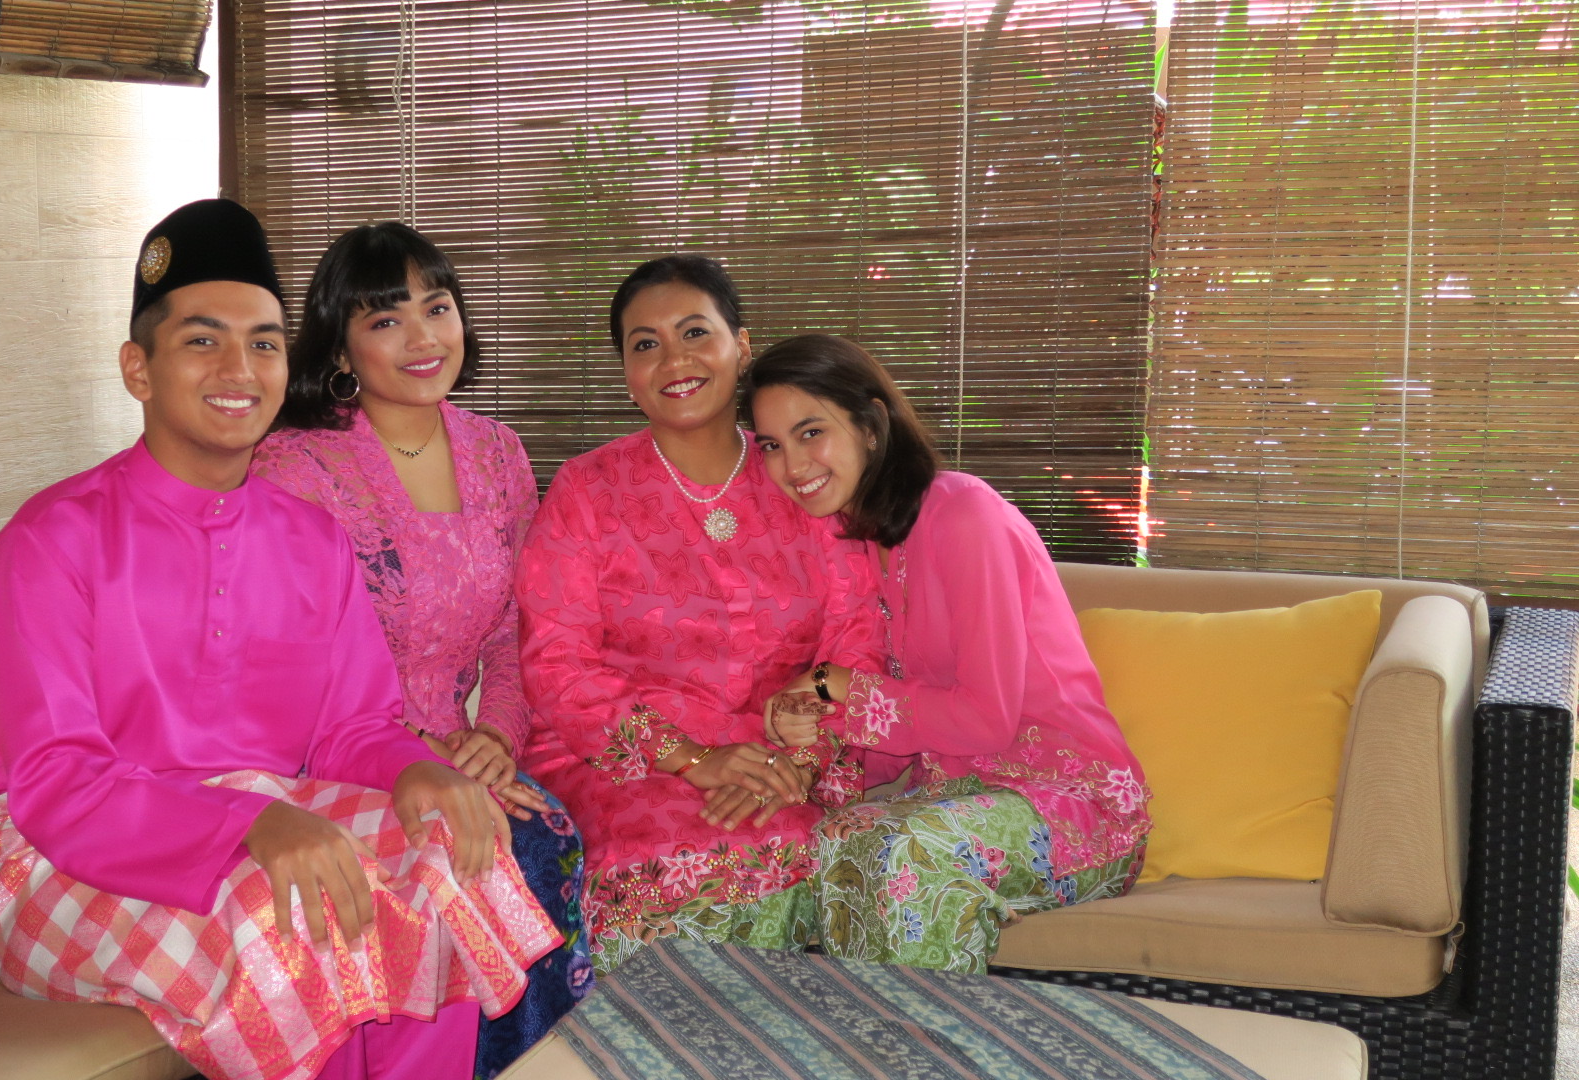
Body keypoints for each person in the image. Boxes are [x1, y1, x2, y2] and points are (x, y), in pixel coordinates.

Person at [0, 199, 560, 1080]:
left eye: (265, 343)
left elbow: (350, 729)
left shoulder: (310, 538)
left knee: (452, 857)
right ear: (138, 368)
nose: (239, 368)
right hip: (58, 856)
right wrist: (252, 824)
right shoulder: (52, 541)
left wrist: (417, 771)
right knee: (293, 917)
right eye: (203, 341)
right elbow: (59, 784)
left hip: (266, 808)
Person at [252, 222, 593, 1078]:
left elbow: (519, 626)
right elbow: (291, 668)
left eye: (437, 309)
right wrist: (422, 754)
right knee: (505, 854)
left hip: (466, 750)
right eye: (386, 320)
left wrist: (497, 735)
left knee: (545, 833)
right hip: (337, 756)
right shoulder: (295, 468)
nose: (423, 337)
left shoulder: (497, 451)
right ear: (340, 347)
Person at [515, 256, 878, 973]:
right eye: (645, 344)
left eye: (693, 333)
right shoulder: (588, 489)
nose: (673, 360)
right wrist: (695, 760)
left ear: (740, 345)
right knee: (661, 858)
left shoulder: (801, 474)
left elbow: (854, 642)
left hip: (773, 758)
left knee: (803, 845)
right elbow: (557, 664)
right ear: (626, 371)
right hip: (618, 758)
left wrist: (800, 762)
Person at [746, 333, 1152, 972]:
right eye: (771, 444)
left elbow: (984, 719)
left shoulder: (965, 515)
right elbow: (894, 740)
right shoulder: (855, 542)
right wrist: (807, 726)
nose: (792, 465)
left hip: (1071, 801)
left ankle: (912, 1033)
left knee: (896, 854)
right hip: (954, 794)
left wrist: (837, 683)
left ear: (871, 426)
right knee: (812, 841)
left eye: (811, 432)